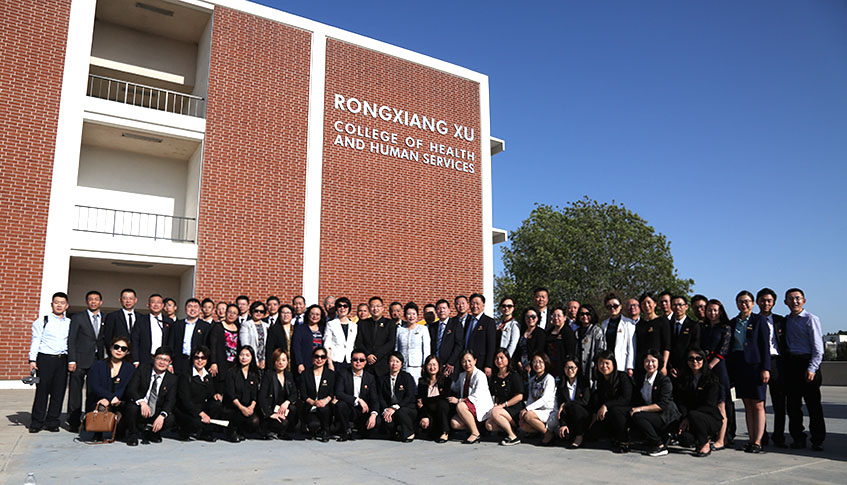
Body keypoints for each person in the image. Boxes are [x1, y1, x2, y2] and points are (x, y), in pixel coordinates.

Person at [728, 290, 771, 453]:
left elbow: (765, 346)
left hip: (756, 366)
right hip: (740, 366)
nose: (744, 304)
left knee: (758, 404)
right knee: (747, 404)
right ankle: (751, 439)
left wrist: (766, 368)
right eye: (740, 301)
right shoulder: (733, 322)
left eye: (747, 301)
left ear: (753, 303)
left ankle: (758, 441)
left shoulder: (759, 320)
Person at [784, 288, 826, 451]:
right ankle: (798, 438)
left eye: (798, 298)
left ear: (804, 301)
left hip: (808, 363)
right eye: (791, 299)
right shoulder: (787, 320)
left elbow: (818, 348)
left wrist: (812, 368)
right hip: (792, 364)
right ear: (785, 302)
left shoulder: (811, 319)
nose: (794, 301)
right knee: (793, 406)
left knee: (813, 405)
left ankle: (817, 439)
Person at [28, 291, 70, 433]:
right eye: (56, 302)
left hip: (62, 360)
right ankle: (36, 422)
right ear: (52, 304)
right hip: (45, 359)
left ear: (67, 306)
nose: (59, 305)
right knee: (42, 391)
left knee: (58, 392)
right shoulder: (43, 321)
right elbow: (36, 340)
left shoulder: (70, 323)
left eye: (62, 303)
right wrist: (32, 359)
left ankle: (52, 421)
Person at [629, 350, 679, 457]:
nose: (650, 364)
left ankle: (659, 445)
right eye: (647, 361)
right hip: (651, 414)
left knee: (638, 416)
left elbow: (662, 405)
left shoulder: (664, 380)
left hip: (665, 416)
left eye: (653, 361)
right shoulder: (641, 378)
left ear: (659, 362)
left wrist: (640, 409)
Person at [124, 346, 177, 446]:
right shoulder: (143, 369)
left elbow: (170, 400)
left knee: (170, 418)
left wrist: (162, 415)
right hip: (141, 407)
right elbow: (131, 388)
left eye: (166, 360)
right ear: (154, 358)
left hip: (156, 409)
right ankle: (133, 433)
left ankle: (152, 433)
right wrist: (142, 402)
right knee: (131, 408)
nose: (162, 362)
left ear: (170, 362)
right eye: (159, 358)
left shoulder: (172, 379)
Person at [675, 348, 722, 457]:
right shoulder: (684, 378)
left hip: (710, 417)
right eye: (691, 359)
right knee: (685, 438)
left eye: (698, 358)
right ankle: (697, 441)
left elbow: (709, 403)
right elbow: (681, 401)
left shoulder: (711, 378)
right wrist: (685, 417)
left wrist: (689, 416)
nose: (695, 361)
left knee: (694, 415)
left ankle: (705, 444)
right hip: (690, 417)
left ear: (703, 360)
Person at [67, 290, 103, 432]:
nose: (93, 301)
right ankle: (73, 421)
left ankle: (90, 420)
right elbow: (71, 340)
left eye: (96, 299)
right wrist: (72, 360)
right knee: (75, 392)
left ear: (100, 302)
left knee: (93, 392)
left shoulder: (105, 318)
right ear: (86, 302)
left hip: (97, 360)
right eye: (90, 299)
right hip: (80, 360)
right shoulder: (78, 317)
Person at [86, 336, 135, 440]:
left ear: (127, 352)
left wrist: (116, 397)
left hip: (120, 401)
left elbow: (127, 386)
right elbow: (95, 385)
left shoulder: (130, 368)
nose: (119, 350)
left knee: (124, 414)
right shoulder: (98, 365)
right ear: (111, 348)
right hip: (101, 399)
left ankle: (119, 431)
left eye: (123, 349)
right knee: (101, 407)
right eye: (116, 347)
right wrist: (109, 397)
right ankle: (98, 432)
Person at [757, 287, 788, 448]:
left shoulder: (780, 321)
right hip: (759, 363)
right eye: (762, 300)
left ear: (774, 302)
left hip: (777, 363)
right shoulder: (753, 320)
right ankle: (761, 436)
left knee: (779, 403)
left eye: (769, 300)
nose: (766, 303)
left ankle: (779, 436)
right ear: (757, 302)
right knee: (759, 402)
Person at [701, 298, 732, 449]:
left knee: (721, 404)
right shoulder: (704, 328)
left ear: (720, 312)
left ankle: (721, 439)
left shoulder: (725, 328)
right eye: (709, 310)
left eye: (715, 310)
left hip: (719, 368)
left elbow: (723, 350)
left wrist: (711, 365)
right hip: (704, 369)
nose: (712, 313)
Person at [587, 350, 633, 453]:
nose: (604, 366)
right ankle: (614, 436)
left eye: (607, 363)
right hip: (610, 411)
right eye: (601, 363)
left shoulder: (622, 377)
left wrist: (606, 405)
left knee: (616, 411)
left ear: (613, 364)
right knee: (592, 432)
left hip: (626, 410)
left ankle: (624, 441)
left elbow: (626, 399)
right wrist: (595, 414)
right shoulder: (601, 380)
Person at [176, 345, 223, 442]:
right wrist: (201, 414)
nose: (200, 360)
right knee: (195, 423)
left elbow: (210, 394)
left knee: (216, 404)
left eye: (203, 358)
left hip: (201, 407)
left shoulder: (208, 376)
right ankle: (184, 430)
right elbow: (185, 400)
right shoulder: (185, 375)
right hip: (188, 409)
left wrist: (215, 395)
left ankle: (206, 433)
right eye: (197, 357)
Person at [449, 350, 493, 444]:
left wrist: (459, 400)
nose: (467, 364)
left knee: (460, 406)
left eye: (469, 361)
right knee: (454, 423)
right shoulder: (462, 375)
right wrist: (448, 378)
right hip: (468, 409)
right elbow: (455, 387)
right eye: (464, 361)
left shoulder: (480, 375)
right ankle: (478, 428)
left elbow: (477, 395)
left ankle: (475, 433)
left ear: (475, 361)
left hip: (479, 407)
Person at [334, 349, 379, 441]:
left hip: (363, 410)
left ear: (365, 362)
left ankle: (358, 429)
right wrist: (357, 400)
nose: (358, 362)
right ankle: (345, 431)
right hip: (349, 407)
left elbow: (374, 399)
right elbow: (339, 393)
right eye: (355, 359)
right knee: (340, 405)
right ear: (351, 361)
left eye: (361, 360)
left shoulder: (370, 378)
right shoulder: (343, 374)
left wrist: (373, 414)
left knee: (375, 426)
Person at [485, 348, 524, 446]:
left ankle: (513, 436)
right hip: (502, 408)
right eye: (497, 358)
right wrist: (496, 404)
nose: (499, 360)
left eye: (502, 358)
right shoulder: (494, 377)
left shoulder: (514, 375)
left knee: (495, 412)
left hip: (514, 408)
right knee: (489, 425)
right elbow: (496, 395)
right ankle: (510, 430)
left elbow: (520, 396)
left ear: (508, 359)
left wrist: (503, 405)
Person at [258, 349, 298, 440]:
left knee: (293, 409)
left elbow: (294, 393)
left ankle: (285, 430)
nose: (281, 363)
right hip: (271, 410)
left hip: (283, 409)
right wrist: (270, 414)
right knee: (283, 423)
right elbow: (262, 397)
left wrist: (287, 402)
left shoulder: (289, 375)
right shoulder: (268, 375)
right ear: (274, 362)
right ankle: (270, 429)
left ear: (287, 362)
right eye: (278, 360)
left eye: (283, 360)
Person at [298, 346, 336, 442]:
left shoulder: (330, 374)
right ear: (312, 358)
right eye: (317, 356)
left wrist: (325, 401)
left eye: (322, 357)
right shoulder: (305, 374)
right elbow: (303, 394)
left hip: (325, 407)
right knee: (313, 425)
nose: (319, 359)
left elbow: (332, 392)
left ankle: (326, 431)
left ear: (326, 359)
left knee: (324, 409)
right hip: (310, 406)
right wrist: (313, 402)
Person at [224, 345, 261, 442]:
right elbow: (231, 393)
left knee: (255, 421)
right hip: (234, 406)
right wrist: (241, 407)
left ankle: (242, 430)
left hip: (247, 406)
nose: (244, 358)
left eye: (247, 355)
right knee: (239, 414)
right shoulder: (231, 372)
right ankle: (231, 432)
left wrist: (251, 407)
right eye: (242, 355)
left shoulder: (254, 374)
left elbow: (254, 395)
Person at [378, 352, 417, 442]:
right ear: (388, 363)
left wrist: (395, 407)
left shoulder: (407, 377)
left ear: (401, 364)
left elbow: (409, 396)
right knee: (387, 423)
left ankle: (410, 433)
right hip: (389, 409)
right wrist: (386, 410)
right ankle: (397, 431)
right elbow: (380, 397)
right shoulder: (382, 378)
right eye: (392, 361)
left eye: (397, 361)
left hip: (406, 407)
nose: (394, 364)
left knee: (400, 412)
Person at [519, 352, 558, 445]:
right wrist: (525, 410)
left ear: (545, 363)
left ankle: (548, 434)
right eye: (535, 362)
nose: (537, 364)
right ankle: (540, 431)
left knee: (528, 416)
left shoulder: (549, 379)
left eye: (540, 362)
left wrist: (527, 409)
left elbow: (545, 399)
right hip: (536, 411)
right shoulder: (532, 380)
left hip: (548, 410)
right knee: (523, 424)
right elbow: (530, 398)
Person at [553, 357, 591, 448]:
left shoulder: (584, 382)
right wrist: (563, 424)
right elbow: (560, 406)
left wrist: (566, 404)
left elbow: (585, 401)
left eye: (572, 367)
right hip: (569, 416)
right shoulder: (561, 384)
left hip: (582, 415)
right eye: (567, 367)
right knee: (565, 435)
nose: (570, 370)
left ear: (577, 368)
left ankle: (579, 436)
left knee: (575, 407)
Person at [354, 297, 396, 376]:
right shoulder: (363, 324)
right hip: (366, 364)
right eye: (372, 306)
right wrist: (368, 355)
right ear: (369, 308)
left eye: (378, 306)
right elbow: (359, 342)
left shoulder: (390, 323)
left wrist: (376, 355)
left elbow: (391, 343)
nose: (375, 309)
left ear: (382, 308)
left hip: (383, 365)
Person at [169, 298, 211, 376]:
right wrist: (170, 364)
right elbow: (171, 344)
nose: (192, 309)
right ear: (185, 308)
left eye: (195, 307)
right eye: (190, 306)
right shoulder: (177, 325)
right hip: (179, 362)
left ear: (200, 309)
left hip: (197, 362)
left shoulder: (206, 326)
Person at [633, 293, 670, 377]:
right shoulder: (639, 324)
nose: (646, 305)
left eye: (649, 302)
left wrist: (664, 365)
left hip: (657, 365)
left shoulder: (662, 321)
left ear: (655, 304)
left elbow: (667, 346)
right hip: (642, 365)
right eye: (643, 303)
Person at [131, 293, 173, 367]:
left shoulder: (169, 321)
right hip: (144, 359)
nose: (156, 305)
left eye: (158, 302)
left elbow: (171, 342)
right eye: (153, 302)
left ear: (162, 305)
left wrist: (170, 363)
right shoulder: (141, 320)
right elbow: (135, 340)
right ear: (148, 305)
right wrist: (136, 360)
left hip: (163, 360)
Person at [600, 293, 636, 377]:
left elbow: (631, 346)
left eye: (615, 306)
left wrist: (630, 366)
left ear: (620, 306)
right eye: (609, 307)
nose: (612, 308)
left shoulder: (628, 323)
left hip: (622, 362)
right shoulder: (604, 324)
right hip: (608, 362)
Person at [417, 355, 451, 443]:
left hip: (443, 412)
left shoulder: (446, 380)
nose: (432, 367)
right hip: (429, 413)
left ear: (439, 366)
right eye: (429, 364)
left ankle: (445, 432)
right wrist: (424, 416)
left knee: (442, 403)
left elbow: (444, 397)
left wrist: (425, 400)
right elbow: (419, 402)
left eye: (434, 364)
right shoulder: (422, 382)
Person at [208, 303, 240, 394]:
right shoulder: (218, 326)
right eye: (229, 312)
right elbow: (213, 346)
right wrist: (213, 362)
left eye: (234, 313)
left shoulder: (238, 328)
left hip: (234, 364)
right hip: (220, 362)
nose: (231, 315)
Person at [395, 302, 431, 379]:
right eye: (409, 314)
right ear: (405, 315)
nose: (411, 316)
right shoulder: (400, 330)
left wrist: (425, 365)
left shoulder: (423, 329)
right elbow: (396, 348)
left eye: (414, 314)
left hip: (417, 367)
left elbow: (426, 349)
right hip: (402, 366)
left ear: (417, 315)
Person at [464, 294, 497, 376]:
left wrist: (488, 365)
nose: (475, 306)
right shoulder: (467, 322)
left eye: (477, 303)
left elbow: (491, 345)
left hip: (481, 363)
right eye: (472, 303)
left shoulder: (489, 322)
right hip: (467, 364)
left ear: (483, 305)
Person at [668, 295, 700, 378]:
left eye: (680, 305)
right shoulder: (667, 325)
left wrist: (683, 368)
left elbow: (694, 347)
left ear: (686, 307)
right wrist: (670, 367)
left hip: (687, 368)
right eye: (674, 305)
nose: (677, 307)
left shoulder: (694, 325)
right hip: (669, 369)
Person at [100, 288, 139, 357]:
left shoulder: (141, 317)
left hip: (136, 356)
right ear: (120, 300)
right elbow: (107, 338)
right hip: (117, 355)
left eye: (131, 298)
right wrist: (112, 355)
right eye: (125, 298)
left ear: (135, 300)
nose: (128, 301)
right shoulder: (112, 316)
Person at [429, 299, 462, 378]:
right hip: (435, 365)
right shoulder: (432, 327)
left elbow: (459, 345)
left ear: (449, 310)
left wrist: (451, 362)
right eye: (439, 309)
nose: (442, 311)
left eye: (444, 308)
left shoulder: (456, 324)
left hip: (449, 366)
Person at [324, 297, 358, 373]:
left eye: (345, 306)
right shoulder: (331, 324)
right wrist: (330, 363)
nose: (342, 308)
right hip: (336, 361)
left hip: (349, 361)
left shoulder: (354, 326)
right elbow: (327, 345)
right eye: (340, 306)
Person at [575, 304, 606, 385]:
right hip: (578, 368)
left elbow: (601, 349)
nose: (585, 316)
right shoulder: (576, 332)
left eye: (587, 314)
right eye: (582, 314)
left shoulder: (597, 331)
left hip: (591, 368)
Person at [291, 304, 326, 375]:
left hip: (320, 363)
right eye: (312, 314)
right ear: (308, 314)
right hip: (306, 363)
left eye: (317, 314)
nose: (315, 316)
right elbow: (296, 347)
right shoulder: (300, 329)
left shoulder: (323, 329)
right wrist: (299, 363)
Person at [513, 308, 546, 378]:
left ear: (537, 318)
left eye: (533, 317)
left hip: (534, 366)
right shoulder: (521, 331)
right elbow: (517, 348)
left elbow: (539, 349)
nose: (530, 319)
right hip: (521, 366)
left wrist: (530, 364)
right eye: (528, 317)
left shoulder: (540, 332)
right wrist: (518, 362)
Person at [545, 306, 577, 380]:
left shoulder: (568, 332)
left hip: (562, 367)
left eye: (559, 316)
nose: (556, 318)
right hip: (550, 366)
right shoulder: (548, 332)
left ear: (564, 318)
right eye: (554, 316)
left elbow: (571, 351)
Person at [239, 301, 270, 370]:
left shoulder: (266, 326)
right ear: (251, 311)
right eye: (256, 311)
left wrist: (264, 359)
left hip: (263, 360)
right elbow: (245, 344)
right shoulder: (246, 325)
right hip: (250, 359)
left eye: (261, 311)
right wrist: (255, 360)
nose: (259, 313)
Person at [265, 304, 294, 368]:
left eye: (288, 313)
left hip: (293, 364)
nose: (285, 315)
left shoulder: (296, 329)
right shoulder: (274, 330)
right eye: (283, 313)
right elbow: (270, 349)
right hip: (279, 363)